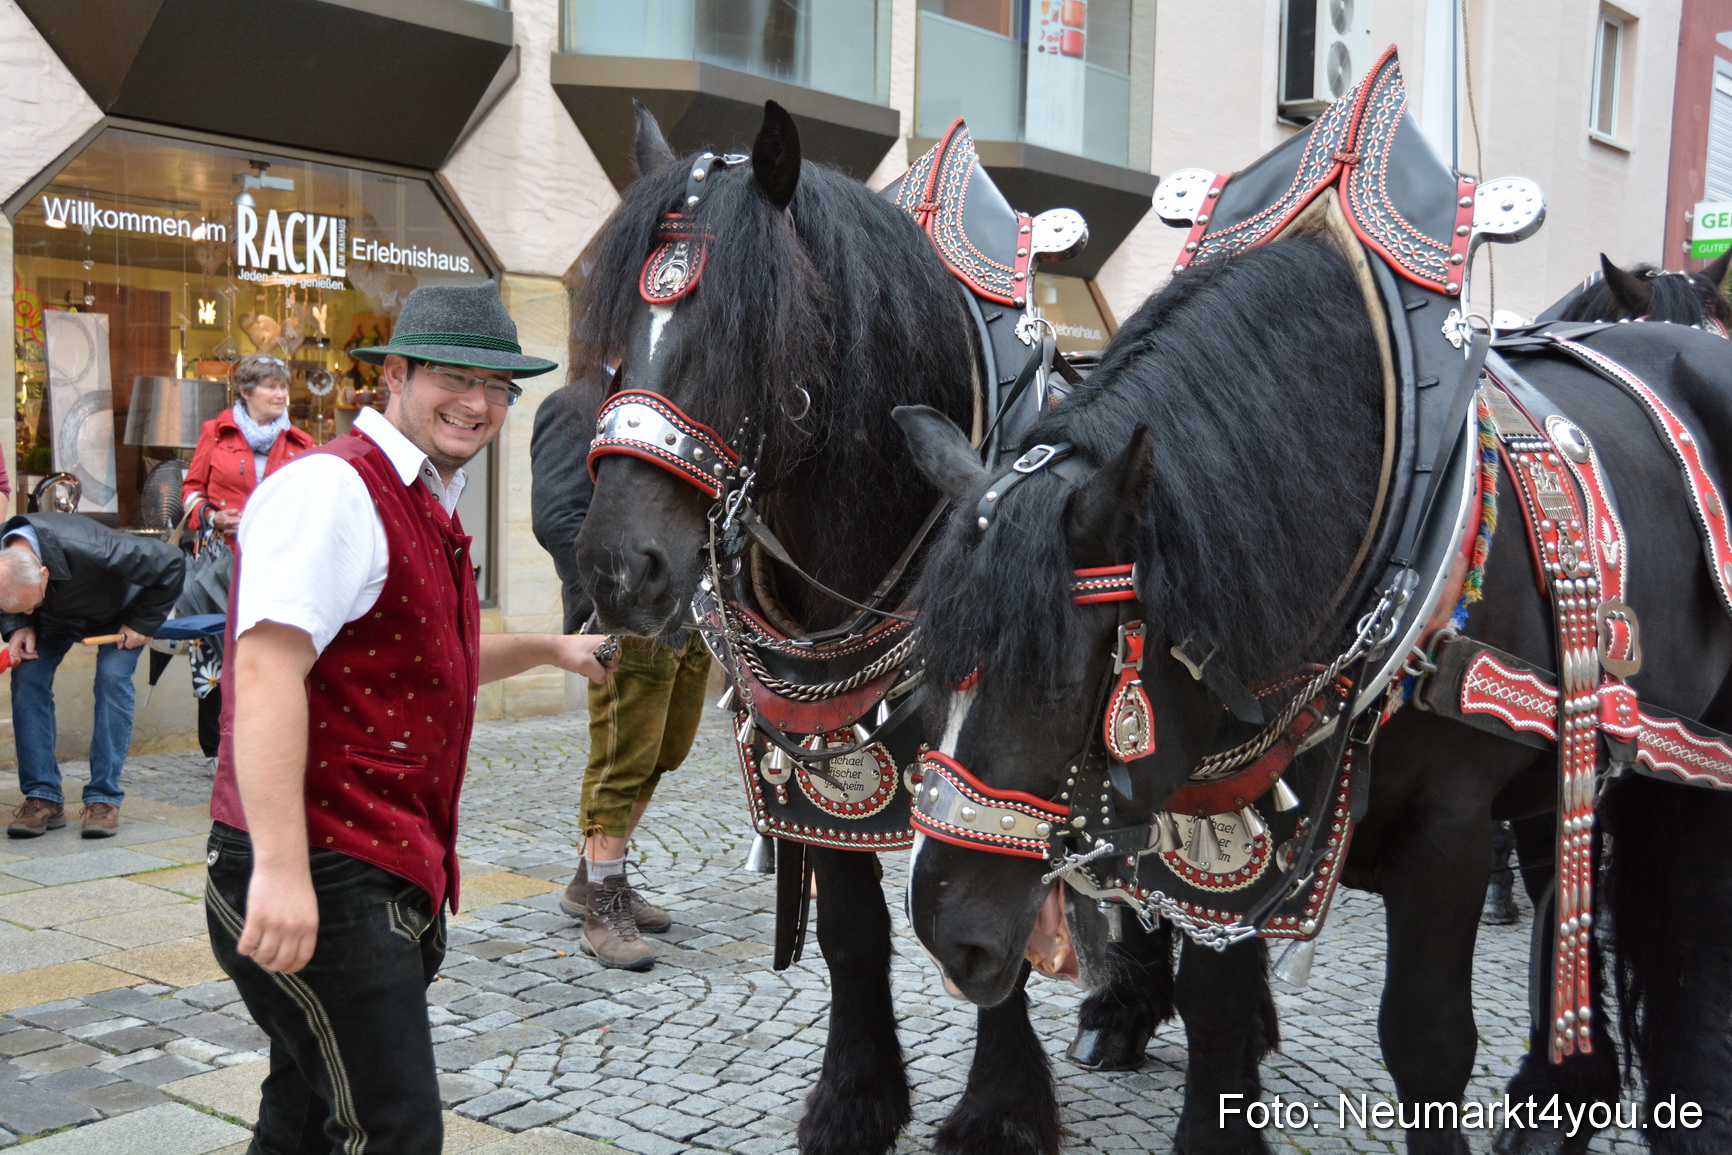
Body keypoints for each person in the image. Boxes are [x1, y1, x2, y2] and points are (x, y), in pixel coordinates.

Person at [203, 283, 617, 1154]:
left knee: (304, 1113)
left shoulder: (424, 494)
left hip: (374, 864)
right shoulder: (334, 488)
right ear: (394, 374)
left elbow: (432, 654)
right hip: (326, 864)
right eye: (454, 377)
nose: (478, 402)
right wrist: (281, 868)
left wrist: (552, 648)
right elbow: (266, 669)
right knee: (393, 1129)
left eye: (496, 386)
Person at [530, 363, 712, 971]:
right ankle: (602, 906)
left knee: (663, 752)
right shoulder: (574, 404)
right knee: (621, 759)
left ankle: (591, 878)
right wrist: (615, 595)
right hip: (624, 615)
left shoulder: (680, 396)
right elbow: (557, 519)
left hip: (689, 612)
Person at [0, 513, 184, 837]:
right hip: (50, 616)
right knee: (27, 679)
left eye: (28, 605)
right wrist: (20, 623)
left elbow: (171, 562)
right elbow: (15, 602)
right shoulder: (10, 569)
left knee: (112, 679)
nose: (25, 610)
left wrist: (141, 623)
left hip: (118, 614)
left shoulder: (95, 548)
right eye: (21, 607)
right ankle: (42, 796)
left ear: (44, 573)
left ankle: (104, 798)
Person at [181, 353, 315, 763]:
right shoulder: (215, 432)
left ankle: (265, 743)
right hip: (221, 562)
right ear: (245, 390)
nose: (280, 394)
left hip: (277, 567)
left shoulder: (301, 442)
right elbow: (191, 490)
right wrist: (212, 516)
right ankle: (217, 749)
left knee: (270, 651)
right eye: (271, 386)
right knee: (216, 649)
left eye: (283, 386)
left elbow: (312, 503)